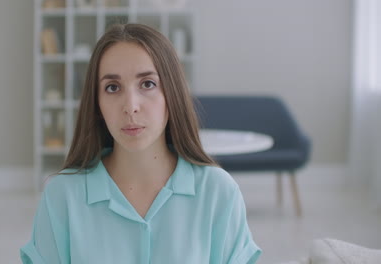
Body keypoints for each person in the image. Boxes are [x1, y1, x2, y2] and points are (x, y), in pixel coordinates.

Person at [20, 23, 261, 264]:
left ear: (172, 94)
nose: (130, 106)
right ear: (98, 104)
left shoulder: (219, 193)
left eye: (147, 84)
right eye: (112, 88)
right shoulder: (61, 197)